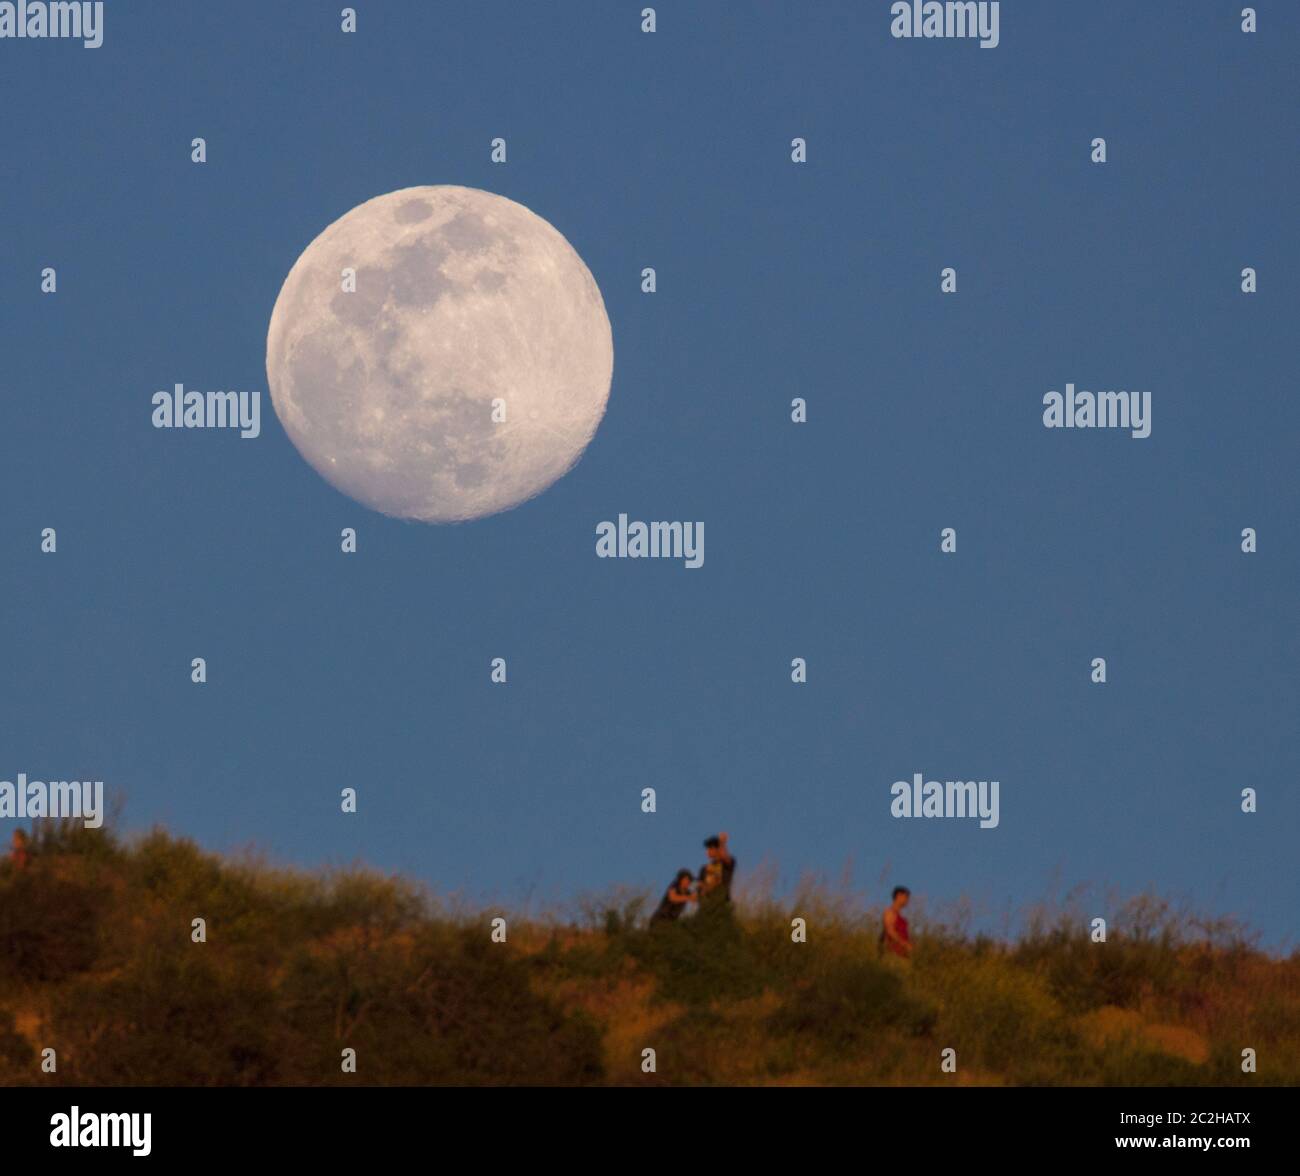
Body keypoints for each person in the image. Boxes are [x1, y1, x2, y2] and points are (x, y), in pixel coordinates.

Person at [696, 832, 735, 911]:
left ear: (718, 849)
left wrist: (722, 843)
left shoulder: (727, 864)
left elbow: (725, 857)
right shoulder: (704, 869)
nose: (707, 851)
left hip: (723, 903)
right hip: (707, 906)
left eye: (710, 848)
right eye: (707, 849)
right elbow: (699, 886)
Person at [880, 885, 911, 959]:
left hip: (902, 954)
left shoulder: (899, 915)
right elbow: (889, 931)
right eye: (906, 897)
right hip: (892, 954)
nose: (907, 900)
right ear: (899, 896)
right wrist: (904, 944)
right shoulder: (889, 912)